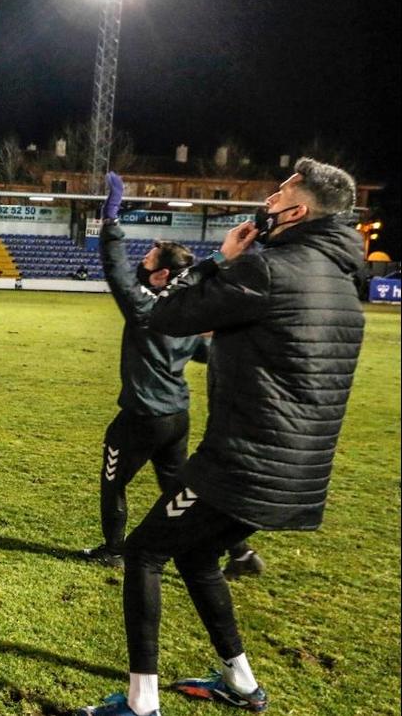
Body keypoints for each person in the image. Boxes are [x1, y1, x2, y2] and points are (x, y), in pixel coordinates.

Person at [79, 158, 365, 716]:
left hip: (244, 463)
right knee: (198, 556)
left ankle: (140, 704)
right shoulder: (340, 279)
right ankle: (240, 683)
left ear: (296, 211)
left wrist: (221, 259)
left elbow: (166, 316)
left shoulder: (269, 269)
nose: (267, 199)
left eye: (278, 193)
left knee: (142, 552)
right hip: (298, 469)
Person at [80, 173, 208, 568]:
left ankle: (114, 551)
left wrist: (112, 218)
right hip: (177, 416)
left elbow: (115, 268)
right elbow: (203, 354)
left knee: (113, 481)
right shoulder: (188, 310)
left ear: (161, 275)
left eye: (148, 260)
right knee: (175, 486)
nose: (140, 263)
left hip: (142, 416)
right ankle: (223, 549)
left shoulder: (145, 308)